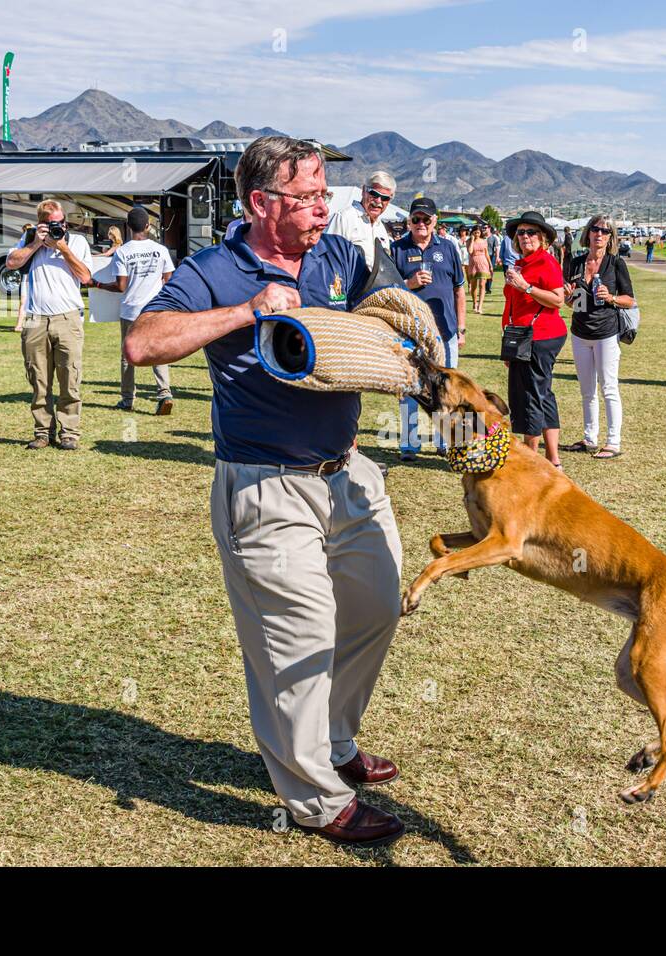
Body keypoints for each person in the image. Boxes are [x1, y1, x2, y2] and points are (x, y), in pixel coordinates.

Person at [123, 135, 405, 847]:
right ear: (261, 202)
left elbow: (387, 313)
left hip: (349, 474)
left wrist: (409, 334)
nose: (323, 208)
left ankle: (334, 739)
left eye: (323, 195)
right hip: (266, 489)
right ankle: (315, 798)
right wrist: (248, 310)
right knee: (298, 642)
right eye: (308, 197)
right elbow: (143, 342)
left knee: (376, 607)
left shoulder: (342, 255)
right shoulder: (216, 268)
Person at [5, 200, 94, 450]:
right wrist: (35, 243)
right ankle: (43, 432)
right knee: (38, 378)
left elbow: (86, 277)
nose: (58, 227)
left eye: (61, 222)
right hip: (35, 317)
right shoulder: (29, 238)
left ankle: (69, 433)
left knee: (70, 376)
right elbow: (11, 263)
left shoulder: (76, 242)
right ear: (41, 223)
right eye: (52, 224)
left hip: (67, 317)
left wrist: (62, 247)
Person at [390, 196, 466, 462]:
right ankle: (409, 445)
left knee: (445, 389)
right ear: (409, 221)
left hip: (445, 333)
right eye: (416, 219)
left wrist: (462, 327)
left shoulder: (447, 248)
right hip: (410, 334)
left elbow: (459, 289)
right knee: (411, 388)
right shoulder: (397, 248)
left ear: (435, 221)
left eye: (426, 219)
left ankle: (445, 443)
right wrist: (408, 283)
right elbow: (387, 291)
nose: (421, 223)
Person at [561, 214, 635, 459]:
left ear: (611, 237)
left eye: (605, 231)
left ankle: (613, 441)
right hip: (580, 332)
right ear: (588, 233)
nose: (599, 234)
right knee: (586, 390)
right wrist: (568, 298)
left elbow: (630, 300)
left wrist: (611, 297)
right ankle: (589, 438)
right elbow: (572, 302)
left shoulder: (615, 264)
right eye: (596, 229)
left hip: (606, 332)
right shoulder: (576, 261)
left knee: (609, 387)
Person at [95, 206, 175, 414]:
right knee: (158, 351)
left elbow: (121, 286)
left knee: (127, 356)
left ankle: (127, 399)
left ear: (128, 227)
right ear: (148, 226)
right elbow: (169, 281)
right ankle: (164, 392)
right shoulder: (161, 250)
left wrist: (98, 285)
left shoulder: (123, 252)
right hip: (155, 309)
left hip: (131, 311)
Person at [503, 210, 567, 467]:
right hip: (522, 338)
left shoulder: (546, 262)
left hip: (541, 336)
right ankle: (553, 459)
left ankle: (531, 461)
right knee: (542, 394)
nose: (525, 236)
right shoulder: (521, 263)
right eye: (521, 232)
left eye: (531, 232)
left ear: (542, 238)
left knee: (531, 396)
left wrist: (525, 287)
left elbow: (558, 299)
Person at [326, 171, 395, 269]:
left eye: (385, 198)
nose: (378, 201)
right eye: (374, 194)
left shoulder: (381, 228)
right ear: (363, 191)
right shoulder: (344, 218)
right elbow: (327, 258)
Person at [466, 225, 491, 314]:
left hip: (483, 263)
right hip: (473, 263)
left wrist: (490, 265)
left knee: (482, 285)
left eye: (478, 232)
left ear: (480, 233)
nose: (477, 234)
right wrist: (472, 240)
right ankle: (474, 303)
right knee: (473, 286)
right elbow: (470, 251)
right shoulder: (469, 241)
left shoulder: (484, 241)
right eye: (475, 232)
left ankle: (480, 306)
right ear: (472, 232)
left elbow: (487, 253)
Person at [484, 223, 500, 295]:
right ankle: (484, 287)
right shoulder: (482, 237)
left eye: (485, 227)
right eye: (483, 228)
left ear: (489, 228)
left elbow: (497, 248)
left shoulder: (494, 237)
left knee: (490, 272)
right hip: (483, 257)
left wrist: (497, 257)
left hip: (491, 257)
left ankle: (488, 288)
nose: (484, 229)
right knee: (483, 272)